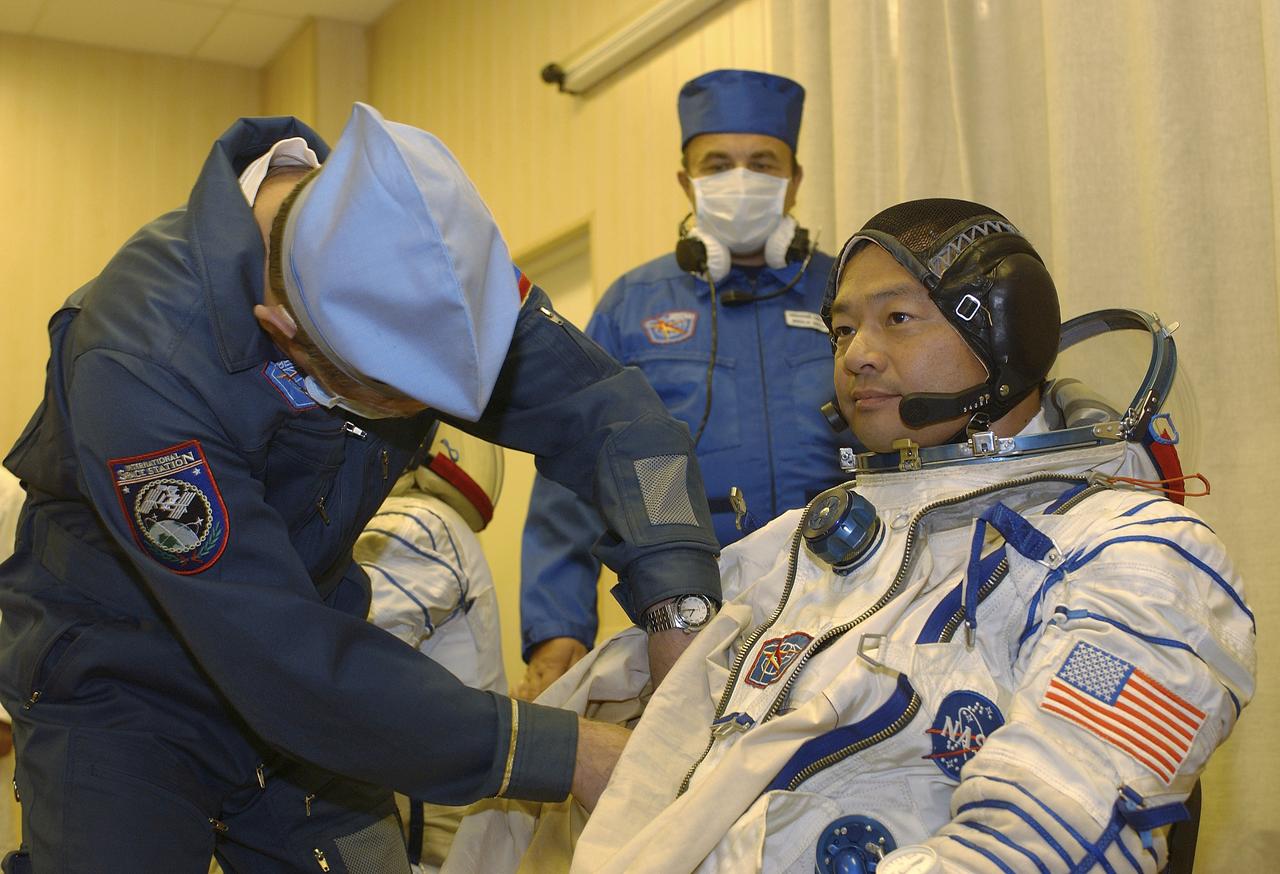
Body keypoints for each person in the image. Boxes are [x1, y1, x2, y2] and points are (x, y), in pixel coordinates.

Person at [0, 102, 721, 871]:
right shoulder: (144, 358)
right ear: (282, 326)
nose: (419, 419)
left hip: (316, 681)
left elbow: (618, 421)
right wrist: (567, 752)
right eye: (386, 396)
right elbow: (277, 653)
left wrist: (677, 602)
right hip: (125, 688)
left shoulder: (432, 262)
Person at [446, 198, 1255, 873]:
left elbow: (1046, 841)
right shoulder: (810, 541)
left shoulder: (1136, 553)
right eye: (840, 331)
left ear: (1004, 334)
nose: (857, 356)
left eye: (897, 319)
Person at [517, 69, 846, 699]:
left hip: (843, 606)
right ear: (685, 180)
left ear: (795, 180)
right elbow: (573, 473)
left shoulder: (850, 296)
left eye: (763, 163)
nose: (740, 180)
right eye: (718, 163)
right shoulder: (631, 305)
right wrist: (558, 627)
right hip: (686, 618)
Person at [354, 422, 508, 870]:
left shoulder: (416, 524)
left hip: (432, 835)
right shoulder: (429, 520)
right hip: (457, 811)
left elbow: (352, 667)